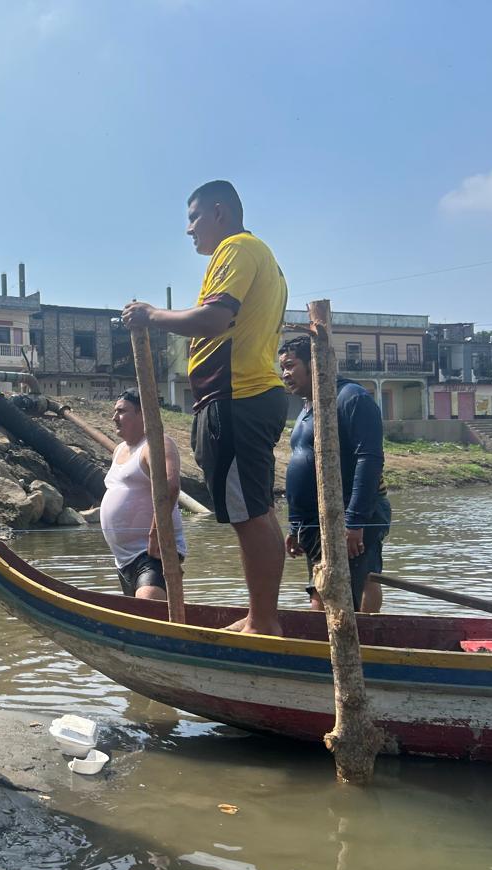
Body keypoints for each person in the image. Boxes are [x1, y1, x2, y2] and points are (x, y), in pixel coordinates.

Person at [122, 180, 288, 636]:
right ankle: (262, 616)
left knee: (248, 515)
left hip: (236, 398)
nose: (189, 229)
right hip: (250, 396)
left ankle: (263, 623)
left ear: (220, 212)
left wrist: (151, 315)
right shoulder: (262, 257)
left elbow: (215, 319)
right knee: (256, 510)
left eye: (194, 218)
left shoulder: (236, 248)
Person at [278, 336, 392, 613]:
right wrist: (296, 526)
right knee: (321, 586)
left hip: (351, 515)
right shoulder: (308, 407)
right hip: (315, 521)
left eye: (290, 365)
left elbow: (369, 459)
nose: (285, 374)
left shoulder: (351, 398)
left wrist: (354, 521)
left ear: (315, 363)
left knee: (357, 582)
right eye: (282, 368)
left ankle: (364, 637)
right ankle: (329, 638)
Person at [100, 390, 187, 600]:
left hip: (152, 552)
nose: (114, 417)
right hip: (124, 561)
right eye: (114, 412)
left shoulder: (156, 444)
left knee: (148, 611)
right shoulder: (119, 450)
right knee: (140, 615)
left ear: (142, 414)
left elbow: (171, 487)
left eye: (121, 411)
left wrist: (157, 532)